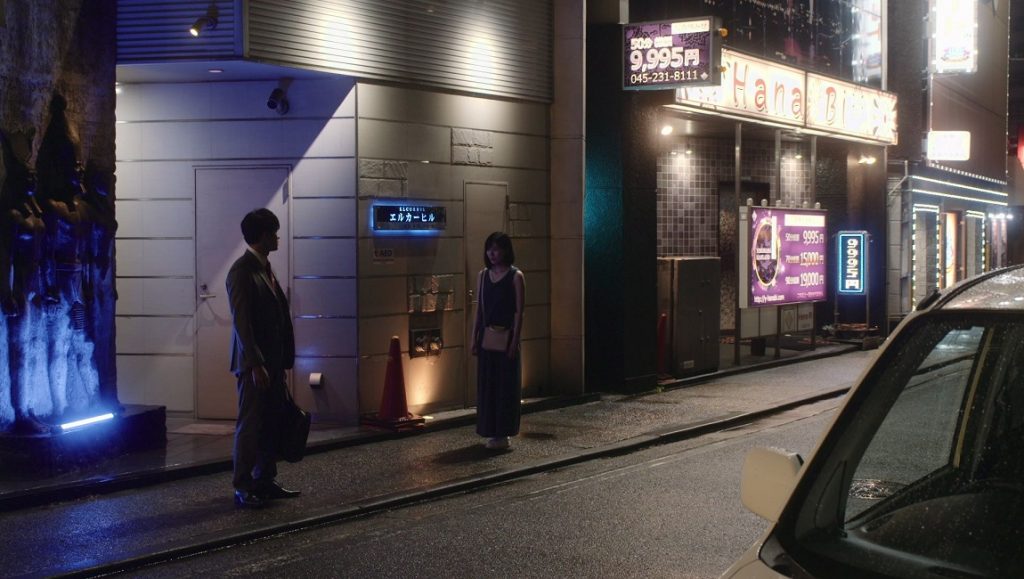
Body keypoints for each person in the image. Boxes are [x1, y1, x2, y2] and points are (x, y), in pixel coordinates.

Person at [226, 208, 299, 507]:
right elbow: (242, 323)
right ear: (263, 235)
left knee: (271, 420)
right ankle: (243, 485)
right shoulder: (241, 272)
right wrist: (255, 363)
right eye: (274, 231)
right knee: (251, 422)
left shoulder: (264, 268)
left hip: (273, 361)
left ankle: (265, 479)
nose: (278, 236)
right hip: (255, 365)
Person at [471, 232, 525, 450]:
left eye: (497, 249)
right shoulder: (483, 275)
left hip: (506, 339)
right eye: (489, 249)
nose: (492, 254)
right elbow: (479, 310)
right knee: (488, 386)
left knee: (505, 387)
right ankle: (490, 431)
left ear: (506, 250)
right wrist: (474, 338)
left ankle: (503, 434)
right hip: (487, 338)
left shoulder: (516, 276)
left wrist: (514, 342)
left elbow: (519, 313)